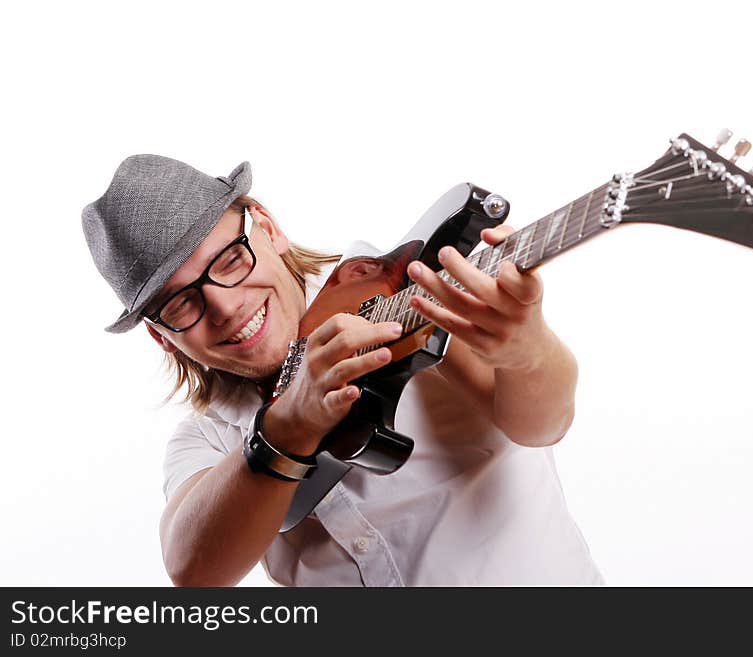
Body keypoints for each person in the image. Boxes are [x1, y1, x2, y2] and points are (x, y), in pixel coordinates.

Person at [82, 155, 604, 586]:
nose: (224, 305)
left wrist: (526, 347)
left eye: (229, 260)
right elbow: (193, 569)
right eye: (180, 304)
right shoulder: (207, 439)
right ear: (161, 336)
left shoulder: (402, 290)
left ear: (267, 228)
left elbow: (543, 425)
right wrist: (290, 423)